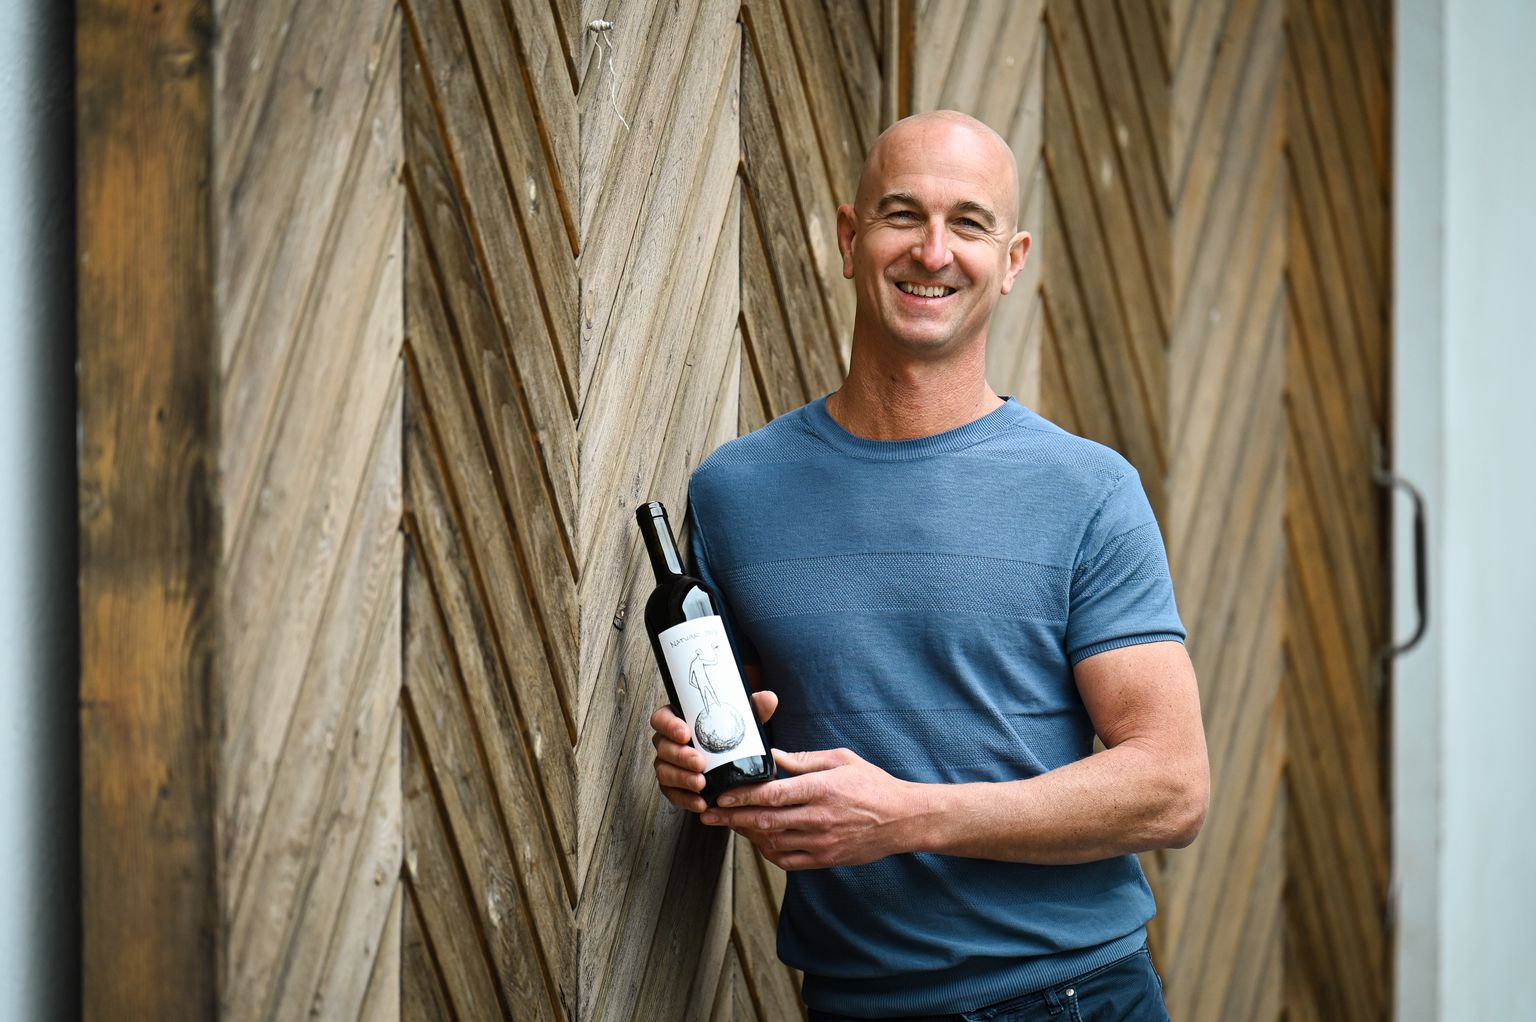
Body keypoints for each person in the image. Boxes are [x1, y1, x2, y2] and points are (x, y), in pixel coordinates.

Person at [649, 110, 1209, 1021]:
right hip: (850, 1003)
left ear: (1013, 260)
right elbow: (741, 750)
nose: (933, 251)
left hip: (1067, 998)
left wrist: (907, 815)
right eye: (902, 214)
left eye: (969, 224)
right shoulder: (734, 494)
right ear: (849, 238)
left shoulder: (1089, 490)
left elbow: (1172, 787)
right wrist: (698, 773)